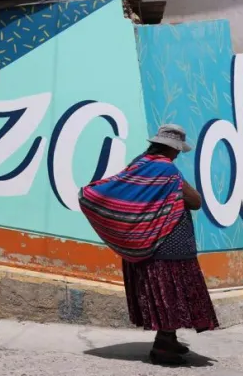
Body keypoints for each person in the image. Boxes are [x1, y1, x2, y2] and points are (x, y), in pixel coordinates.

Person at [79, 124, 218, 365]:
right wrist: (180, 188)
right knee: (171, 295)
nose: (178, 154)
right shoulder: (167, 171)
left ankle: (169, 339)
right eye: (178, 150)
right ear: (172, 149)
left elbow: (110, 190)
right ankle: (163, 347)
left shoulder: (138, 165)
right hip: (169, 245)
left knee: (161, 295)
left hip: (146, 245)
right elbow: (195, 202)